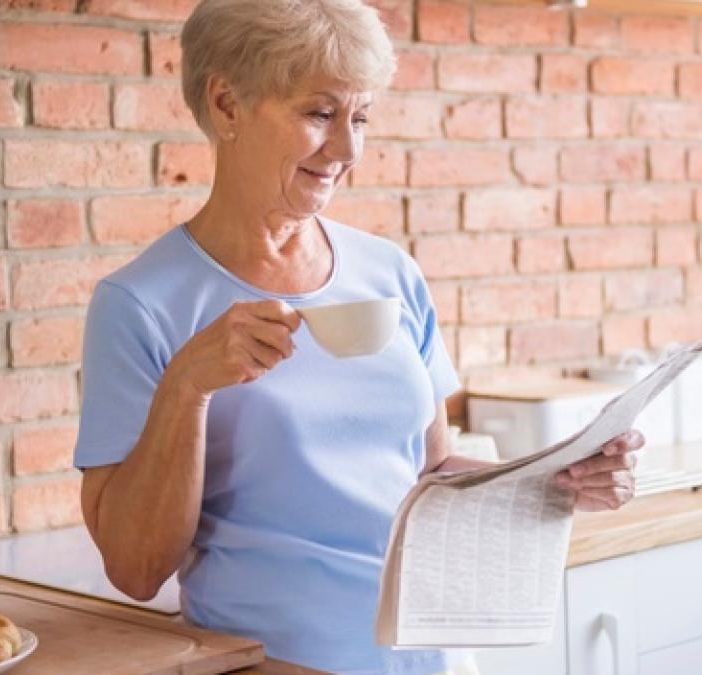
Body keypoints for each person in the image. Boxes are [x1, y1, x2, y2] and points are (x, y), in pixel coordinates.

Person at [73, 1, 643, 672]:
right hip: (278, 662)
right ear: (226, 103)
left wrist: (559, 477)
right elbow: (136, 569)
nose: (347, 151)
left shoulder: (389, 271)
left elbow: (428, 470)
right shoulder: (141, 303)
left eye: (361, 118)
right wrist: (188, 386)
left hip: (426, 657)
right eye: (319, 114)